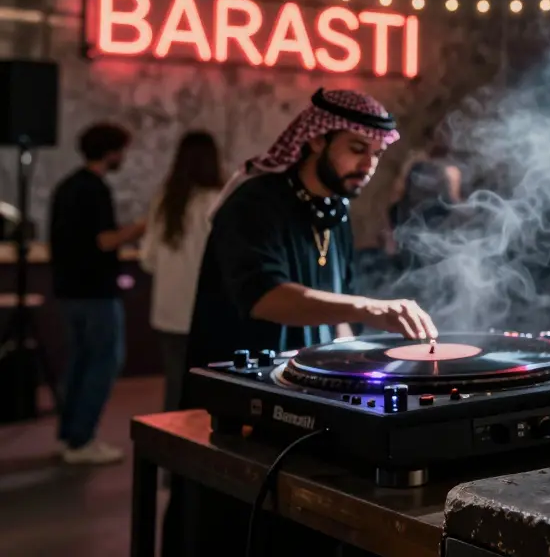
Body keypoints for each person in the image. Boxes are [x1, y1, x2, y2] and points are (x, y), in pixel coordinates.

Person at [164, 89, 437, 557]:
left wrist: (364, 371)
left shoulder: (336, 213)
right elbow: (266, 297)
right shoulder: (254, 204)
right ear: (313, 140)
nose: (368, 164)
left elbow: (338, 311)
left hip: (302, 398)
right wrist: (372, 309)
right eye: (356, 148)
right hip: (240, 409)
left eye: (375, 152)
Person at [48, 122, 146, 465]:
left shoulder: (67, 186)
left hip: (67, 291)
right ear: (110, 151)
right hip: (96, 293)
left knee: (78, 363)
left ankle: (70, 436)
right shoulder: (95, 189)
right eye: (122, 150)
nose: (123, 157)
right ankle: (83, 439)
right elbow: (104, 241)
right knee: (103, 363)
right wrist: (141, 228)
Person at [139, 130, 224, 413]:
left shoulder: (165, 201)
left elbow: (147, 259)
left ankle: (167, 449)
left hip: (168, 311)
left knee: (175, 384)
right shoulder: (218, 201)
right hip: (207, 310)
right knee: (209, 386)